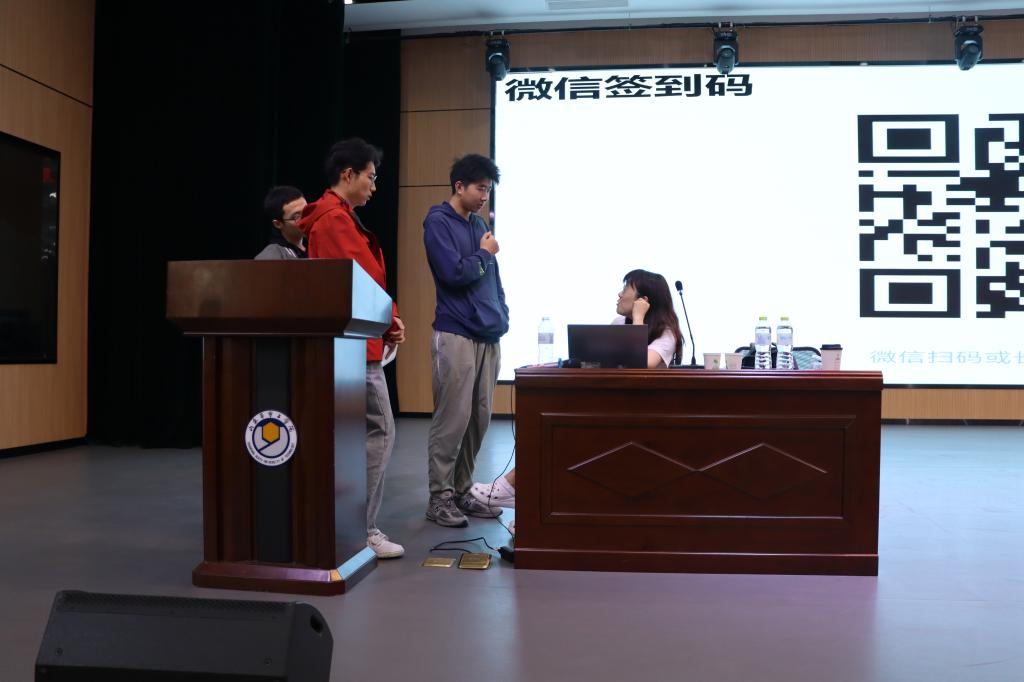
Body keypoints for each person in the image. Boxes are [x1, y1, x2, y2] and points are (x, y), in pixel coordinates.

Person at [469, 269, 683, 512]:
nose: (619, 294)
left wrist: (638, 319)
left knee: (566, 436)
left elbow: (641, 363)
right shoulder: (618, 324)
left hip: (642, 418)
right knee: (550, 426)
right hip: (613, 408)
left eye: (626, 289)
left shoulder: (667, 333)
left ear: (642, 300)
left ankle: (514, 491)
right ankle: (525, 502)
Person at [298, 138, 406, 559]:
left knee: (350, 436)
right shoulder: (334, 220)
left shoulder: (330, 217)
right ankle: (361, 528)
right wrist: (390, 319)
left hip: (349, 343)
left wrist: (388, 320)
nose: (374, 187)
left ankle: (343, 525)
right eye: (370, 177)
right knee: (381, 429)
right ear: (349, 174)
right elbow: (362, 282)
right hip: (355, 346)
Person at [422, 153, 507, 527]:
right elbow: (454, 273)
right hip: (455, 331)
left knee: (479, 418)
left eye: (488, 190)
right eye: (480, 189)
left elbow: (492, 277)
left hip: (488, 333)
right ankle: (439, 496)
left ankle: (461, 489)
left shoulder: (478, 224)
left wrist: (502, 312)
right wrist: (484, 253)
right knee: (452, 418)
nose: (484, 197)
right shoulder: (438, 221)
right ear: (459, 186)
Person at [255, 186, 307, 259]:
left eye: (307, 211)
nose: (306, 219)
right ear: (278, 224)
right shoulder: (271, 257)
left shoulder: (314, 244)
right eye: (296, 216)